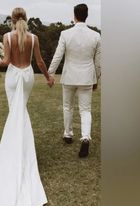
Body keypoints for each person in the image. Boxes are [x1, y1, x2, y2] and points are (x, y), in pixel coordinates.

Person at [0, 7, 54, 206]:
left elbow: (8, 60)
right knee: (20, 113)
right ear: (26, 20)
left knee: (16, 113)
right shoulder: (34, 38)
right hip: (28, 76)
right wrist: (49, 77)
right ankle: (21, 151)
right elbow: (39, 62)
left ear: (12, 20)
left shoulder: (7, 36)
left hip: (12, 77)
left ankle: (15, 151)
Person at [48, 3, 101, 158]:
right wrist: (96, 78)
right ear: (87, 15)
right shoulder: (96, 36)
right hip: (86, 78)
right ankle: (85, 137)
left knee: (67, 107)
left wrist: (50, 73)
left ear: (74, 15)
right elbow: (98, 61)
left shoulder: (65, 34)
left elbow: (58, 56)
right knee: (85, 110)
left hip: (69, 76)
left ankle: (68, 134)